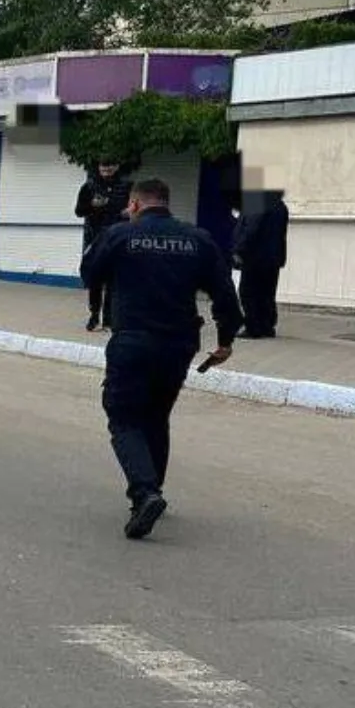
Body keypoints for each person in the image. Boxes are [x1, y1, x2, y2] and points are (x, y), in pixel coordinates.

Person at [80, 178, 242, 541]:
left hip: (132, 340)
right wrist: (226, 341)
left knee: (124, 417)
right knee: (156, 415)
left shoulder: (120, 234)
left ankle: (145, 493)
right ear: (166, 203)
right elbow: (225, 295)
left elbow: (88, 274)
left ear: (135, 204)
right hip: (178, 344)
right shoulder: (197, 239)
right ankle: (154, 489)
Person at [75, 162, 131, 332]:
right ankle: (94, 316)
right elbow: (79, 211)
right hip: (95, 238)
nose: (107, 169)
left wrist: (128, 213)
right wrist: (92, 205)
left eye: (110, 165)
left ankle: (109, 319)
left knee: (114, 280)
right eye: (103, 165)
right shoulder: (89, 187)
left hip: (118, 238)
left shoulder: (126, 187)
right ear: (98, 167)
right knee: (95, 278)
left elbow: (135, 209)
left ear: (117, 166)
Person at [233, 189, 290, 340]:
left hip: (254, 256)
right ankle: (267, 326)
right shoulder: (280, 206)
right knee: (267, 293)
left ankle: (253, 327)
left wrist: (239, 249)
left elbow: (251, 229)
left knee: (248, 292)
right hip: (273, 258)